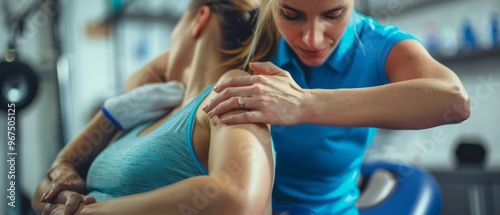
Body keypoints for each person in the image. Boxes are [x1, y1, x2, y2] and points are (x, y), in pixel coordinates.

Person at [119, 0, 471, 214]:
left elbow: (453, 100)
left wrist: (303, 104)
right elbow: (147, 78)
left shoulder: (379, 45)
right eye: (292, 14)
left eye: (334, 14)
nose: (313, 39)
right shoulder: (251, 32)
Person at [31, 0, 280, 214]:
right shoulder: (153, 109)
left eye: (178, 23)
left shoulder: (231, 89)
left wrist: (88, 211)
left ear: (199, 19)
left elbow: (237, 198)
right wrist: (63, 199)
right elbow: (44, 188)